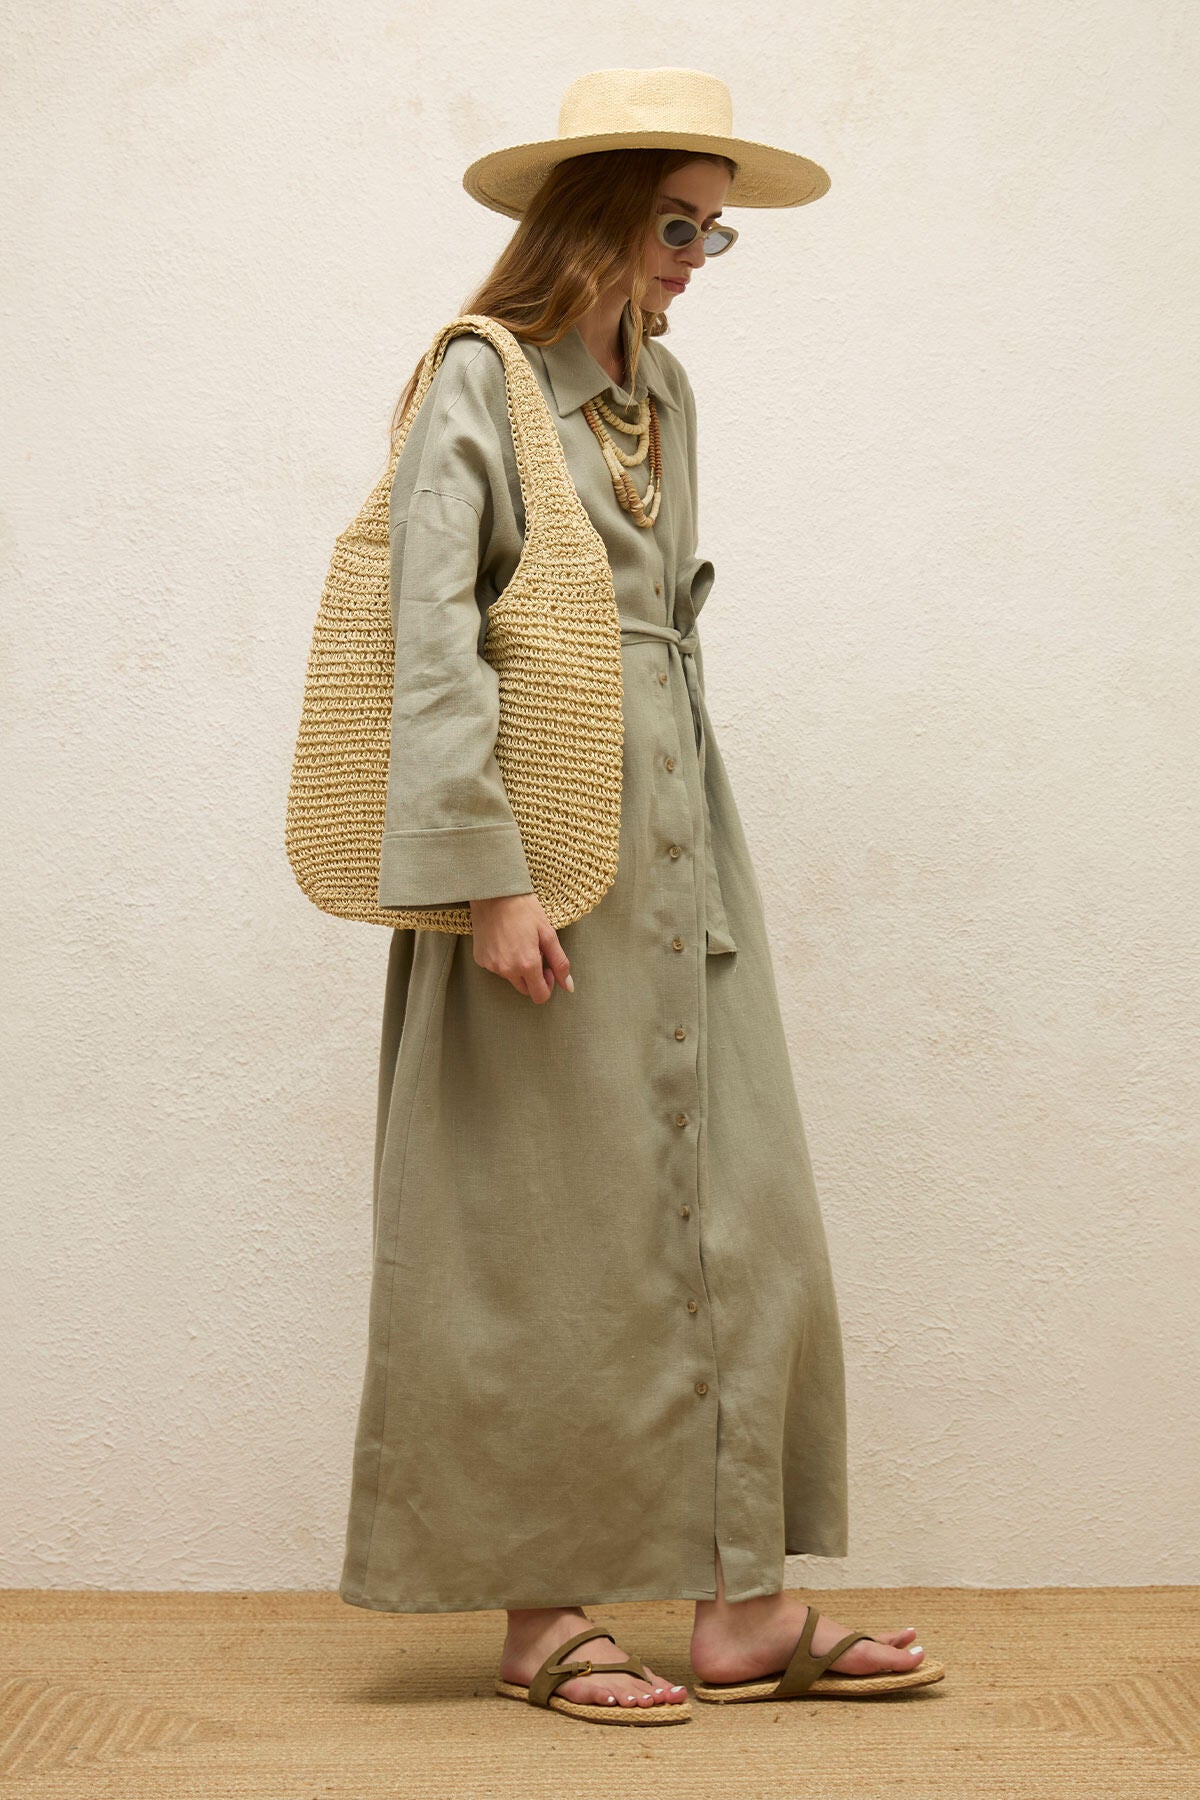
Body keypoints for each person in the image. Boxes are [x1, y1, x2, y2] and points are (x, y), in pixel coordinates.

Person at [338, 66, 941, 1724]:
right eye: (679, 227)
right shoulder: (480, 377)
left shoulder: (661, 388)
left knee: (741, 1216)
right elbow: (431, 637)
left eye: (714, 234)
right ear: (597, 216)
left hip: (681, 838)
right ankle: (542, 1620)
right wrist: (486, 880)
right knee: (542, 1233)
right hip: (539, 849)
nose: (694, 262)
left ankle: (741, 1609)